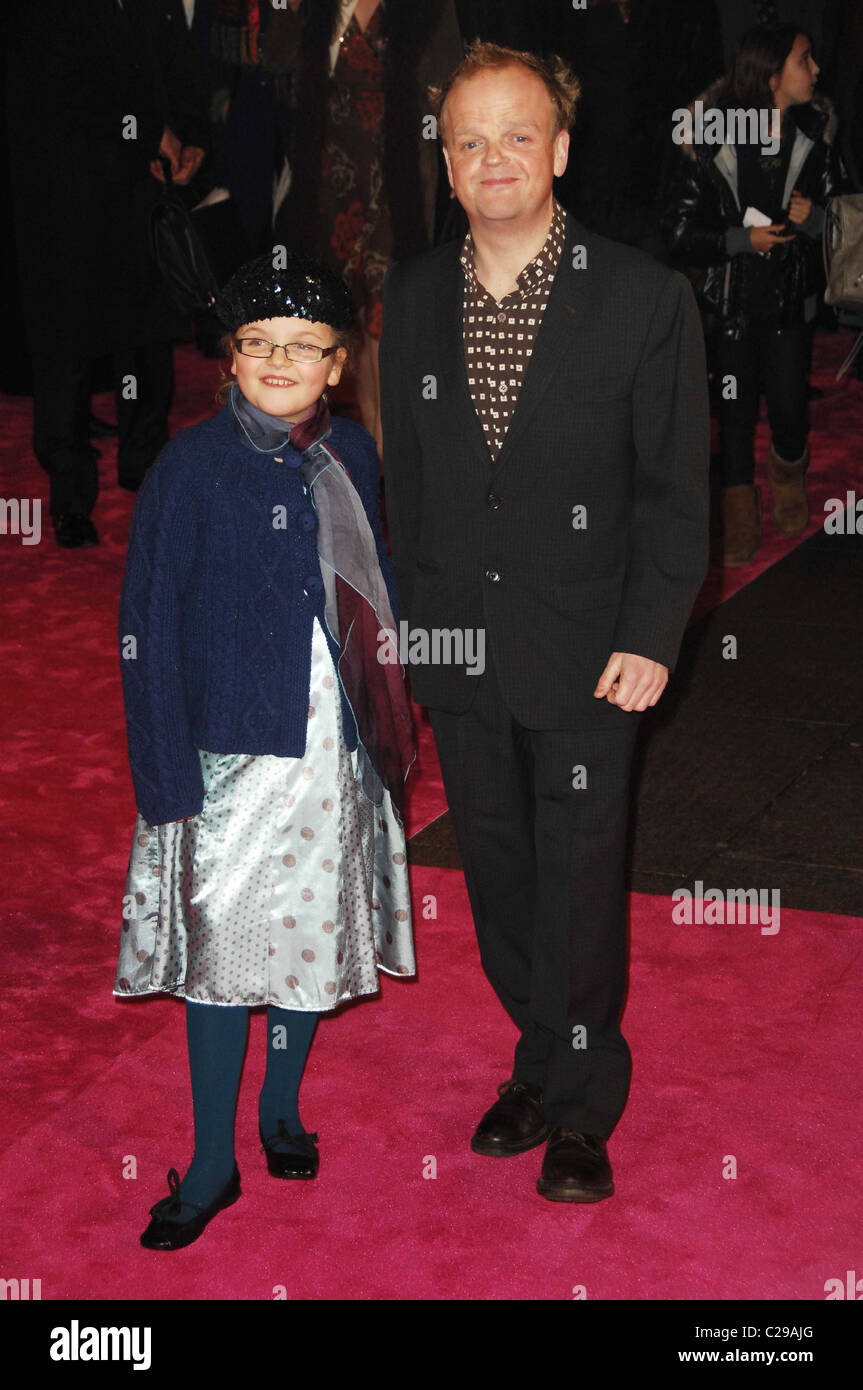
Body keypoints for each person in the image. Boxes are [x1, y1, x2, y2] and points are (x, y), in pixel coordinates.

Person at [380, 42, 710, 1203]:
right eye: (468, 139)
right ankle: (537, 1054)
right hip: (459, 643)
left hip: (590, 649)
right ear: (447, 160)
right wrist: (414, 635)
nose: (492, 158)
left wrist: (651, 633)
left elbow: (673, 492)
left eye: (516, 134)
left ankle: (578, 1104)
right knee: (500, 877)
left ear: (559, 150)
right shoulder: (414, 297)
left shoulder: (642, 297)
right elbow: (408, 488)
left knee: (576, 877)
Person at [115, 252, 415, 1249]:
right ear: (230, 358)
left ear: (335, 362)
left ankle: (280, 1107)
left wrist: (391, 720)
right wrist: (162, 778)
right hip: (228, 755)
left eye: (304, 346)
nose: (280, 360)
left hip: (332, 746)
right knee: (219, 952)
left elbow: (374, 589)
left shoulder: (355, 455)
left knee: (306, 935)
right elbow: (146, 626)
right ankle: (211, 1160)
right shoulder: (188, 469)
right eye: (259, 345)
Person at [5, 1, 209, 547]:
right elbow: (54, 84)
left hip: (139, 188)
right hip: (64, 191)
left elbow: (177, 62)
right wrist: (147, 134)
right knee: (66, 341)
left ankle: (146, 466)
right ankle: (70, 495)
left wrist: (189, 137)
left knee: (146, 333)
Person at [666, 26, 840, 565]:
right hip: (732, 307)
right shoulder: (714, 142)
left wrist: (813, 225)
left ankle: (788, 472)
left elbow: (841, 221)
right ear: (771, 77)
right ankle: (737, 501)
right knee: (734, 411)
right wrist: (743, 240)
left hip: (789, 304)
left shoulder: (815, 136)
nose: (815, 70)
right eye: (803, 60)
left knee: (790, 406)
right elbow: (678, 233)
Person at [274, 0, 462, 453]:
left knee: (386, 322)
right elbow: (275, 58)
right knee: (350, 326)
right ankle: (375, 454)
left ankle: (389, 456)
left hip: (399, 193)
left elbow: (454, 89)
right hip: (328, 190)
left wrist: (461, 156)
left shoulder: (431, 9)